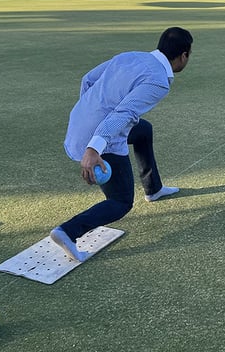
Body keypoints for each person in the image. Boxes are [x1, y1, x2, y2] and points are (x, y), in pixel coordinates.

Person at [50, 27, 194, 261]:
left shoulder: (131, 55)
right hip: (98, 138)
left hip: (79, 122)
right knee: (121, 202)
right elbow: (123, 113)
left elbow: (87, 79)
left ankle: (153, 189)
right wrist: (93, 148)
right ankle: (67, 232)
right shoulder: (159, 81)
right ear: (184, 55)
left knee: (143, 130)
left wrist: (89, 114)